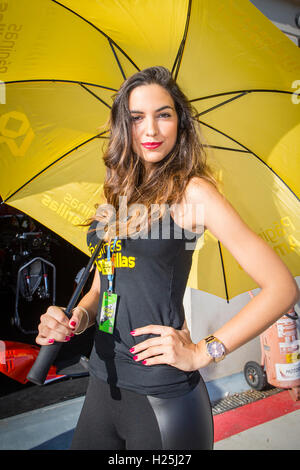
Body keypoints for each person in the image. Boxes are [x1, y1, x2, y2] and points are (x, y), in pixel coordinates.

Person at [36, 66, 299, 450]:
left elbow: (281, 288)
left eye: (164, 115)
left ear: (180, 123)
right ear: (123, 126)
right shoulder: (115, 193)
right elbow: (102, 285)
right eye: (137, 117)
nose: (151, 130)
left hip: (163, 398)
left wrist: (201, 352)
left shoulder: (193, 193)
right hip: (103, 383)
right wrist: (78, 319)